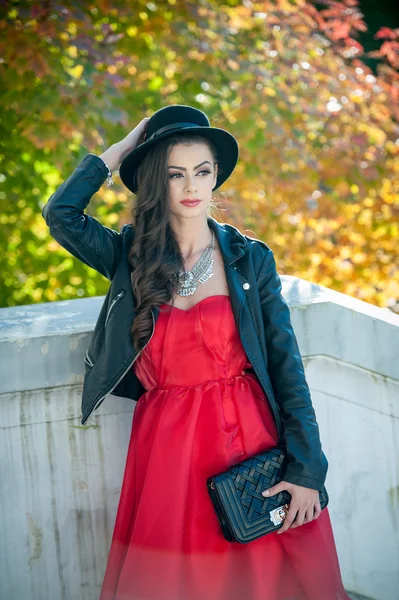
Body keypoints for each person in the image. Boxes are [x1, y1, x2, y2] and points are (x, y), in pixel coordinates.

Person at [42, 105, 350, 600]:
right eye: (175, 174)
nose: (191, 187)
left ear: (215, 180)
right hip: (166, 447)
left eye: (202, 173)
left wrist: (308, 471)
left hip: (248, 438)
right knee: (175, 581)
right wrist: (121, 151)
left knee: (267, 576)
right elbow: (61, 214)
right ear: (153, 183)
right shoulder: (130, 256)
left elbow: (285, 367)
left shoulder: (249, 258)